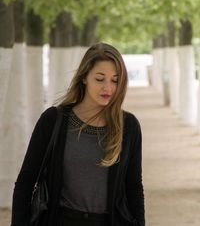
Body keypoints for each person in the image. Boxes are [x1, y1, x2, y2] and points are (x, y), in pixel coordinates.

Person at [10, 42, 145, 226]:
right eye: (100, 79)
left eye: (115, 80)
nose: (108, 88)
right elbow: (25, 182)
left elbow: (134, 188)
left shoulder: (129, 126)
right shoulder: (53, 120)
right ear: (84, 78)